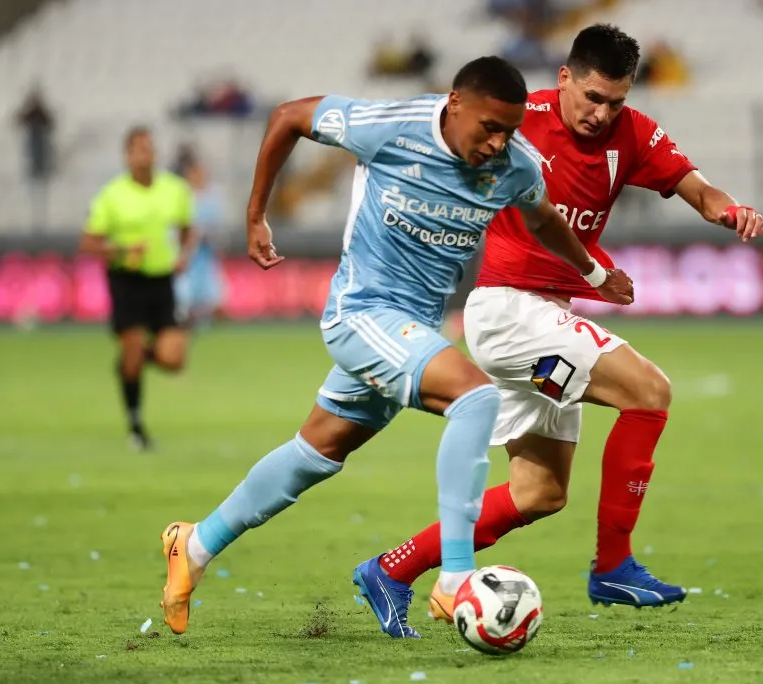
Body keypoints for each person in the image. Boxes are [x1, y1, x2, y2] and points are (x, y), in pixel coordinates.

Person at [158, 55, 634, 638]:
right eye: (488, 127)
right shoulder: (392, 125)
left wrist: (590, 272)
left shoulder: (515, 165)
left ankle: (196, 545)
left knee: (318, 452)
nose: (497, 142)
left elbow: (543, 219)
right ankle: (457, 577)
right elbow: (287, 117)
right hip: (361, 313)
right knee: (476, 399)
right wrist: (256, 216)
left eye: (509, 130)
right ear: (455, 104)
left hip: (414, 331)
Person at [354, 24, 763, 637]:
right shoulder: (520, 119)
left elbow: (695, 187)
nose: (602, 114)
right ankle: (614, 565)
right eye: (593, 97)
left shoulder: (634, 132)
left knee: (539, 492)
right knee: (648, 392)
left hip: (546, 328)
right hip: (509, 314)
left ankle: (391, 569)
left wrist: (729, 210)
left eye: (616, 102)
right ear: (565, 78)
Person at [79, 127, 197, 451]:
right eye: (139, 149)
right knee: (131, 345)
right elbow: (88, 243)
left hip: (162, 281)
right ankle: (136, 426)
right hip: (127, 281)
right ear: (127, 155)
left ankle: (131, 361)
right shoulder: (112, 195)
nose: (146, 154)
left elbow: (189, 230)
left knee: (174, 359)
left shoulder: (175, 190)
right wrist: (120, 252)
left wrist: (184, 255)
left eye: (150, 148)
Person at [173, 156, 228, 327]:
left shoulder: (213, 200)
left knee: (212, 298)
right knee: (183, 298)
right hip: (187, 258)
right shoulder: (181, 198)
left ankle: (204, 322)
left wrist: (207, 235)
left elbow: (220, 233)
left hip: (206, 259)